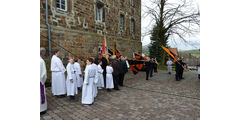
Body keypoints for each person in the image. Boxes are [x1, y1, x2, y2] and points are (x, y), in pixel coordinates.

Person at [40, 47, 47, 115]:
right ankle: (41, 109)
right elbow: (44, 74)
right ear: (43, 53)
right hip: (40, 81)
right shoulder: (41, 61)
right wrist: (43, 81)